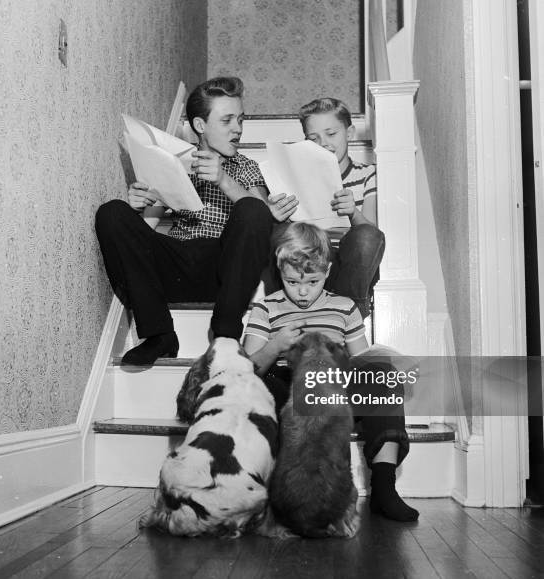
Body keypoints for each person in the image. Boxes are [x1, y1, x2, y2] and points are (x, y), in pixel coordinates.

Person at [243, 222, 419, 522]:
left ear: (326, 272)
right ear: (280, 271)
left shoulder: (344, 307)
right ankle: (268, 487)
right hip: (288, 387)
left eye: (312, 282)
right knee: (257, 387)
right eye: (291, 281)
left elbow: (361, 359)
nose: (301, 291)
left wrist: (388, 363)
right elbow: (246, 370)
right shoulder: (267, 308)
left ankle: (384, 489)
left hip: (334, 385)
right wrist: (275, 345)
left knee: (382, 378)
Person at [95, 77, 276, 365]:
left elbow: (262, 217)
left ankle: (226, 335)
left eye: (240, 120)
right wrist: (142, 205)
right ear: (200, 125)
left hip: (223, 272)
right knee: (112, 213)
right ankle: (160, 334)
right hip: (176, 265)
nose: (238, 129)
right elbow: (144, 236)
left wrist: (223, 180)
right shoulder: (174, 161)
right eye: (227, 120)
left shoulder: (246, 167)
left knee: (252, 211)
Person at [267, 98, 385, 319]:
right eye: (314, 138)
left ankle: (348, 314)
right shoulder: (296, 178)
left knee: (366, 236)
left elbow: (373, 234)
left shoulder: (368, 174)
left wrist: (353, 212)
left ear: (349, 133)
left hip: (350, 268)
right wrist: (277, 216)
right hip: (309, 265)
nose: (324, 144)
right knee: (276, 230)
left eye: (331, 134)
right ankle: (285, 311)